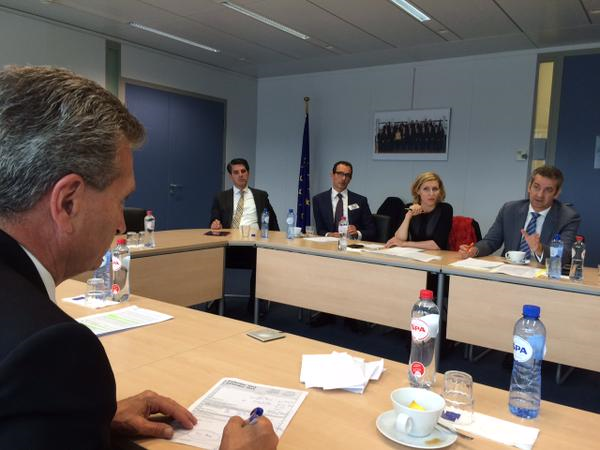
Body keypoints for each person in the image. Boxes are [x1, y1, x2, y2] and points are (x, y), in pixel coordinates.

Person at [0, 65, 278, 450]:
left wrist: (85, 417)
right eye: (121, 200)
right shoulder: (52, 351)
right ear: (67, 203)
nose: (121, 223)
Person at [459, 165, 580, 264]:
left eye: (548, 190)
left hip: (543, 275)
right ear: (529, 187)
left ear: (557, 193)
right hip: (510, 271)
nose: (539, 195)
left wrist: (539, 249)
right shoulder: (510, 209)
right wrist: (475, 250)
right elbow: (491, 241)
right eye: (536, 187)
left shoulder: (568, 217)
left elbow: (565, 256)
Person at [385, 172, 453, 250]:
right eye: (426, 189)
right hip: (414, 253)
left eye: (435, 189)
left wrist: (405, 244)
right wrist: (408, 216)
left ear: (440, 191)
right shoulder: (409, 207)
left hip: (438, 255)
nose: (431, 193)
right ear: (418, 190)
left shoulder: (445, 209)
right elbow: (399, 239)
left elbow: (437, 245)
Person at [312, 161, 376, 241]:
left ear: (350, 178)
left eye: (347, 175)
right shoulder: (319, 200)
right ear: (332, 175)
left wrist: (357, 233)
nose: (343, 178)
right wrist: (329, 235)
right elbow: (320, 229)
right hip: (328, 243)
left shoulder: (360, 200)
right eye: (340, 174)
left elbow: (371, 230)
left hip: (352, 243)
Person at [210, 158, 279, 231]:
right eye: (236, 172)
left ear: (248, 173)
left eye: (243, 171)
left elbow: (273, 222)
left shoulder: (261, 196)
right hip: (230, 236)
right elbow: (214, 221)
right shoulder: (220, 197)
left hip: (255, 236)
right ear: (230, 176)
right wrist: (215, 225)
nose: (240, 175)